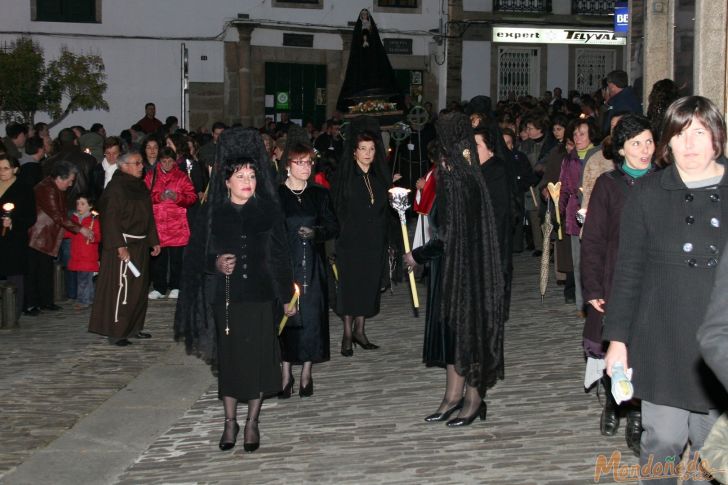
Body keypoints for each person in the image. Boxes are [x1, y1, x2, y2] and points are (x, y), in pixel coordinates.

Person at [604, 96, 728, 482]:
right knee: (663, 441)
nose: (689, 144)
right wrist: (618, 339)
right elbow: (628, 270)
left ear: (717, 140)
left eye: (699, 133)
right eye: (679, 134)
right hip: (662, 337)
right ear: (667, 143)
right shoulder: (648, 192)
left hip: (719, 344)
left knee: (715, 452)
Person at [174, 128, 295, 453]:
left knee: (257, 361)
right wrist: (215, 263)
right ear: (226, 181)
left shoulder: (267, 211)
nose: (247, 180)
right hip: (226, 300)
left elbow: (280, 256)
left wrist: (286, 296)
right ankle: (230, 422)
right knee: (230, 362)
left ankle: (253, 422)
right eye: (240, 175)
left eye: (252, 175)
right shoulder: (213, 214)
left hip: (260, 297)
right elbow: (195, 256)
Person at [404, 112, 505, 427]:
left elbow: (450, 233)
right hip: (449, 268)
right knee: (451, 334)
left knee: (467, 333)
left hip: (464, 270)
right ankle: (452, 395)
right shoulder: (454, 172)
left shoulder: (461, 177)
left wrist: (417, 255)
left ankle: (474, 400)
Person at [580, 114, 656, 456]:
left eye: (649, 142)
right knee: (618, 347)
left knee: (646, 350)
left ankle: (638, 414)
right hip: (615, 279)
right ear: (622, 149)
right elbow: (593, 240)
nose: (644, 149)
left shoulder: (664, 182)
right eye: (636, 143)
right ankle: (614, 401)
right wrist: (593, 288)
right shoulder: (609, 185)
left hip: (654, 281)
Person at [278, 141, 339, 398]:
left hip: (313, 267)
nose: (305, 167)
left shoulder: (319, 194)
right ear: (288, 166)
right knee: (288, 318)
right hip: (286, 264)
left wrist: (316, 233)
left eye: (308, 162)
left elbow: (333, 226)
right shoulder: (276, 195)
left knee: (312, 319)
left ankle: (306, 372)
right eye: (299, 162)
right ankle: (285, 373)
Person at [331, 117, 391, 356]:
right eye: (363, 149)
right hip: (350, 242)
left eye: (372, 149)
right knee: (350, 287)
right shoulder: (344, 178)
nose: (368, 153)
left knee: (368, 285)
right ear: (354, 152)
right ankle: (347, 333)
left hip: (374, 241)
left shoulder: (379, 177)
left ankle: (360, 329)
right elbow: (336, 212)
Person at [88, 151, 161, 347]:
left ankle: (134, 327)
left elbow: (148, 216)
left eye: (140, 163)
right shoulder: (116, 189)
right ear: (124, 166)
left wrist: (154, 240)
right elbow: (110, 220)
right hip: (123, 245)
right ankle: (117, 330)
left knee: (138, 288)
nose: (141, 166)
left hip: (140, 244)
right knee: (122, 288)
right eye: (136, 163)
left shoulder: (140, 186)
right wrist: (119, 246)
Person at [26, 161, 93, 314]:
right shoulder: (47, 189)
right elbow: (57, 215)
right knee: (35, 270)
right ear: (60, 178)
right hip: (39, 236)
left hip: (46, 234)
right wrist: (80, 228)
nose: (70, 184)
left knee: (45, 269)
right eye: (69, 181)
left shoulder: (53, 187)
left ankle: (45, 301)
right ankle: (32, 304)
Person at [558, 117, 600, 315]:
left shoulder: (600, 156)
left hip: (597, 211)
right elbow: (564, 186)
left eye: (582, 133)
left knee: (596, 260)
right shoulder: (569, 159)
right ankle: (581, 304)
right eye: (575, 134)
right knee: (578, 261)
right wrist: (560, 210)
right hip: (576, 212)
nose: (578, 137)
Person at [145, 147, 197, 300]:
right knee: (158, 257)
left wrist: (177, 197)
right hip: (158, 222)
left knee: (176, 258)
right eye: (163, 161)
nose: (166, 164)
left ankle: (176, 285)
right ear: (159, 162)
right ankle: (159, 287)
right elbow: (144, 195)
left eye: (169, 161)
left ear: (174, 161)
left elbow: (192, 197)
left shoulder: (182, 177)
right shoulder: (151, 176)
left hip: (177, 223)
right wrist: (158, 197)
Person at [0, 154, 36, 323]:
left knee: (14, 276)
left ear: (15, 169)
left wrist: (13, 222)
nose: (2, 172)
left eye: (5, 168)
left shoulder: (24, 188)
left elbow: (30, 216)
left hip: (14, 239)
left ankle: (13, 313)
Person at [64, 194, 102, 310]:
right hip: (77, 254)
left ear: (90, 206)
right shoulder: (74, 220)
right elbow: (68, 233)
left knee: (83, 279)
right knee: (85, 279)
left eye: (82, 204)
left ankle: (83, 300)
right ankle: (89, 298)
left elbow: (99, 236)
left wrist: (93, 237)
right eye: (77, 203)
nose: (79, 206)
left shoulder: (93, 220)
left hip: (88, 255)